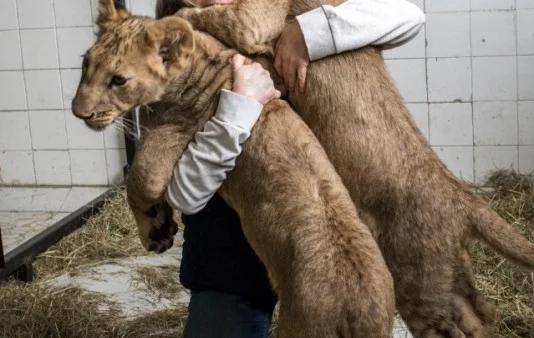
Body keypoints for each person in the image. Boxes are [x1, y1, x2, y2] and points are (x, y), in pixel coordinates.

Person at [155, 0, 426, 337]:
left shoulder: (274, 18)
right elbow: (185, 195)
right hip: (231, 263)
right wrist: (242, 104)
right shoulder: (185, 61)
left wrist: (307, 34)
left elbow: (409, 15)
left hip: (321, 249)